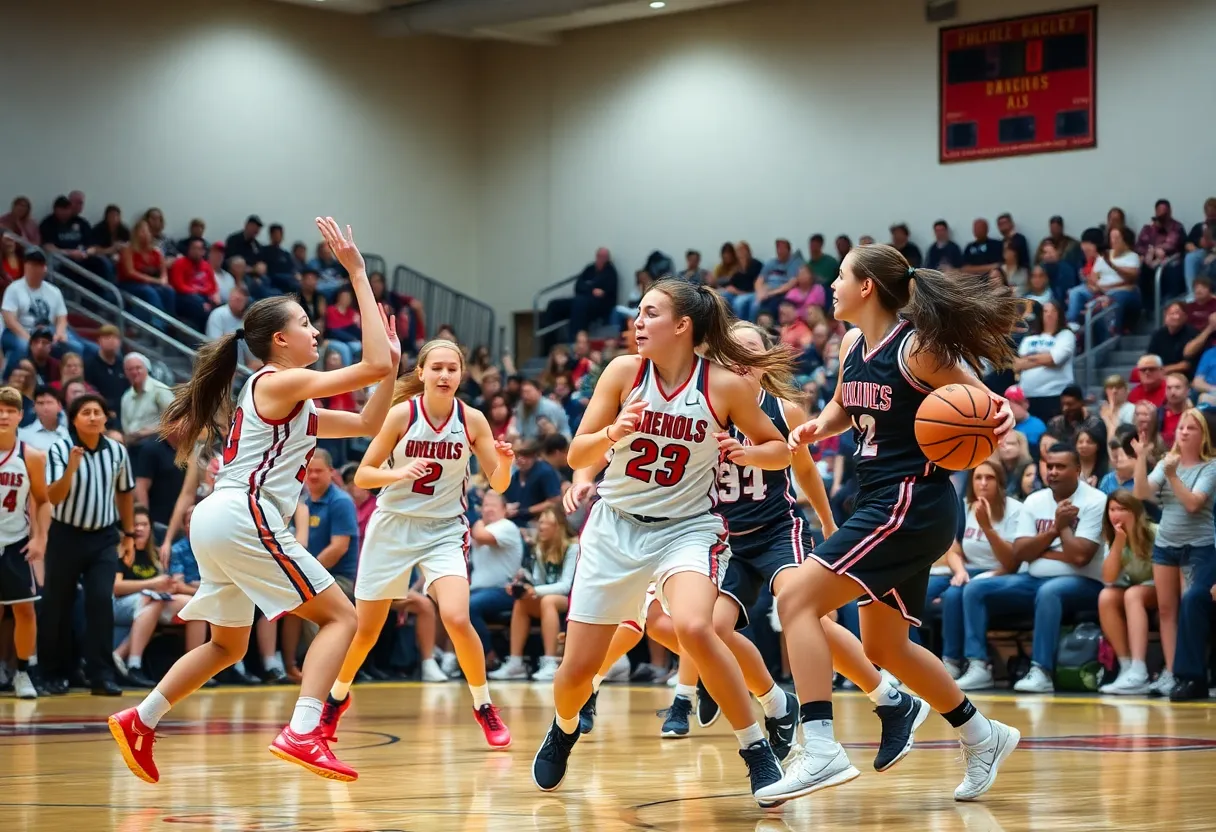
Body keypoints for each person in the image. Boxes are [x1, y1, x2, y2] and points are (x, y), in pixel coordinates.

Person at [107, 218, 399, 785]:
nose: (316, 332)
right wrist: (359, 276)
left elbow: (369, 417)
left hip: (220, 518)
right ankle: (304, 730)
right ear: (281, 340)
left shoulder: (291, 397)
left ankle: (141, 720)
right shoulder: (275, 380)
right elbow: (374, 367)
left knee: (227, 645)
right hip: (244, 515)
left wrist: (386, 356)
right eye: (307, 324)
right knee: (342, 616)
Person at [582, 321, 927, 771]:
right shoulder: (702, 402)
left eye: (750, 354)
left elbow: (802, 472)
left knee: (802, 610)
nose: (740, 362)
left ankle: (888, 696)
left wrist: (825, 521)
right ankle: (774, 699)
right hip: (720, 537)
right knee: (707, 629)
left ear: (763, 364)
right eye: (732, 354)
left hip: (776, 530)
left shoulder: (782, 411)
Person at [759, 244, 1023, 806]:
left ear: (867, 288)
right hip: (879, 498)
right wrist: (817, 429)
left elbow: (985, 402)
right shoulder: (854, 343)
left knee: (798, 600)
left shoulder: (918, 349)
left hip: (912, 500)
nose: (831, 284)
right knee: (885, 645)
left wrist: (997, 413)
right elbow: (842, 406)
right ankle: (983, 734)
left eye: (841, 276)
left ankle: (822, 746)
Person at [532, 279, 799, 802]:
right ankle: (563, 727)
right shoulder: (622, 373)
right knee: (575, 673)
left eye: (649, 313)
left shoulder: (725, 386)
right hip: (615, 527)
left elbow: (780, 451)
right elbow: (576, 456)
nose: (636, 321)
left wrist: (748, 454)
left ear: (682, 326)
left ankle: (755, 751)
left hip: (687, 528)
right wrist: (612, 434)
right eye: (638, 312)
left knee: (697, 627)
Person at [320, 338, 516, 746]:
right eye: (438, 368)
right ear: (422, 373)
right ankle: (336, 699)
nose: (445, 375)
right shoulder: (401, 414)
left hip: (443, 529)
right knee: (366, 632)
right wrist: (399, 472)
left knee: (458, 618)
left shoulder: (473, 419)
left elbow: (497, 483)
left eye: (453, 368)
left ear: (462, 375)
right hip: (393, 526)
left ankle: (484, 705)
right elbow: (363, 476)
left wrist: (507, 464)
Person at [0, 386, 48, 699]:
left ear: (20, 415)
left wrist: (40, 538)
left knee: (25, 612)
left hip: (16, 543)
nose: (3, 415)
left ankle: (22, 672)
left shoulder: (31, 455)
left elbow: (43, 502)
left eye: (10, 410)